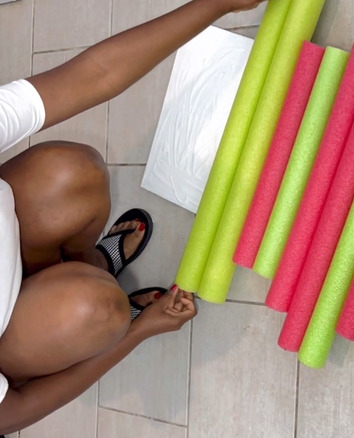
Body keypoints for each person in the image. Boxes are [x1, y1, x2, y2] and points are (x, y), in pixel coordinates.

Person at [0, 0, 266, 433]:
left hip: (13, 243)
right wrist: (138, 333)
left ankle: (93, 264)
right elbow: (12, 412)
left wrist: (217, 4)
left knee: (72, 173)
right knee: (99, 310)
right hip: (9, 336)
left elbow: (94, 75)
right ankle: (96, 306)